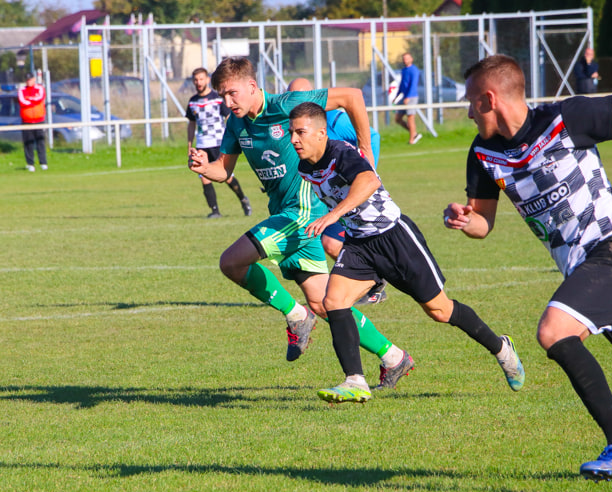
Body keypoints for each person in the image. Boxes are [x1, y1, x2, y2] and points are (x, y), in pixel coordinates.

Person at [444, 54, 612, 480]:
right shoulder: (483, 153)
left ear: (489, 98)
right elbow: (484, 222)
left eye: (469, 102)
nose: (466, 111)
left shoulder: (567, 117)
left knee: (554, 331)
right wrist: (466, 219)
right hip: (587, 275)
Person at [188, 56, 413, 393]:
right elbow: (225, 171)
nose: (227, 101)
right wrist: (205, 167)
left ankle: (296, 315)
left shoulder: (286, 105)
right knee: (325, 303)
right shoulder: (235, 124)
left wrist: (365, 147)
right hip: (286, 213)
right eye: (222, 95)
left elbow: (352, 95)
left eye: (232, 93)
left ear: (252, 86)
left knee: (231, 261)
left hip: (303, 211)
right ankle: (394, 357)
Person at [288, 102, 525, 403]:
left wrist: (334, 215)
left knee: (440, 311)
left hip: (394, 237)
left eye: (301, 132)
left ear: (321, 133)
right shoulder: (304, 167)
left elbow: (369, 180)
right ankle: (355, 381)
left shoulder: (340, 153)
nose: (294, 139)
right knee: (333, 301)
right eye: (291, 133)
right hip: (360, 244)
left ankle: (502, 348)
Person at [288, 77, 387, 305]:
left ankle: (375, 281)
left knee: (331, 243)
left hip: (346, 191)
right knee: (325, 242)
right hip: (323, 192)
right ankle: (367, 281)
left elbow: (373, 136)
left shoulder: (334, 118)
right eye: (292, 96)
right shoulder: (294, 124)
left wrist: (367, 165)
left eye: (301, 96)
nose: (296, 101)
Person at [186, 67, 251, 218]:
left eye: (201, 79)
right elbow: (191, 124)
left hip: (218, 142)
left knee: (227, 177)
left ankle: (243, 199)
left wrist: (233, 139)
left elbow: (229, 118)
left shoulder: (218, 98)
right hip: (202, 144)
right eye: (196, 79)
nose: (198, 82)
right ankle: (215, 210)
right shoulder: (192, 101)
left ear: (207, 80)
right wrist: (190, 145)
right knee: (204, 177)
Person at [18, 73, 47, 172]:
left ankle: (43, 162)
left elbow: (40, 98)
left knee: (40, 142)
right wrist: (32, 101)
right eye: (27, 80)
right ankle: (30, 164)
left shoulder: (40, 88)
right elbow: (22, 102)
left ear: (34, 79)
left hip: (39, 120)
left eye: (30, 79)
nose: (28, 81)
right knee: (28, 143)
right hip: (27, 121)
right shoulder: (22, 90)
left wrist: (29, 99)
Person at [392, 53, 422, 145]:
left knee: (410, 118)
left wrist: (408, 97)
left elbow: (413, 84)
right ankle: (414, 133)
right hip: (404, 97)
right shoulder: (404, 70)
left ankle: (412, 140)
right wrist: (397, 96)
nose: (405, 60)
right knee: (398, 119)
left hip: (411, 97)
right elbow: (402, 84)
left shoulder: (414, 70)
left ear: (411, 59)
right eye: (404, 59)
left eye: (407, 58)